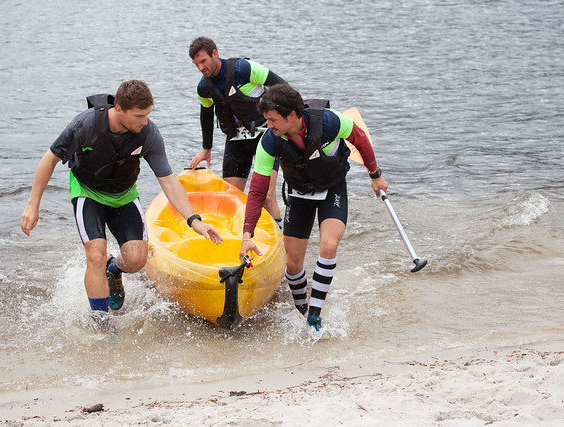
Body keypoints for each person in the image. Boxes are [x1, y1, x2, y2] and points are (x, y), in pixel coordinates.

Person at [21, 80, 222, 321]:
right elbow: (49, 160)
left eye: (147, 115)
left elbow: (167, 179)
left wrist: (194, 221)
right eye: (139, 116)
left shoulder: (148, 133)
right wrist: (33, 204)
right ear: (118, 109)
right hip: (88, 192)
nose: (145, 121)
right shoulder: (84, 125)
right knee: (95, 253)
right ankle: (101, 320)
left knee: (137, 259)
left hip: (124, 194)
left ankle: (113, 270)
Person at [238, 84, 388, 331]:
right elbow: (257, 191)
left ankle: (315, 317)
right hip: (299, 193)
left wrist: (375, 174)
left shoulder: (329, 122)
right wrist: (247, 235)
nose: (269, 126)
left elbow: (359, 138)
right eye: (267, 120)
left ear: (293, 115)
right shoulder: (268, 142)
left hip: (332, 188)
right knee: (292, 265)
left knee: (328, 246)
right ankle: (301, 310)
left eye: (273, 120)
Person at [188, 36, 286, 224]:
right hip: (236, 140)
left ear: (214, 54)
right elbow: (206, 115)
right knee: (230, 199)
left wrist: (284, 122)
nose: (201, 68)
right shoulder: (204, 87)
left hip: (265, 135)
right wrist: (206, 148)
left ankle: (280, 243)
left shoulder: (244, 69)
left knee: (265, 196)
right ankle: (240, 240)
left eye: (203, 61)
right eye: (196, 64)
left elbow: (282, 88)